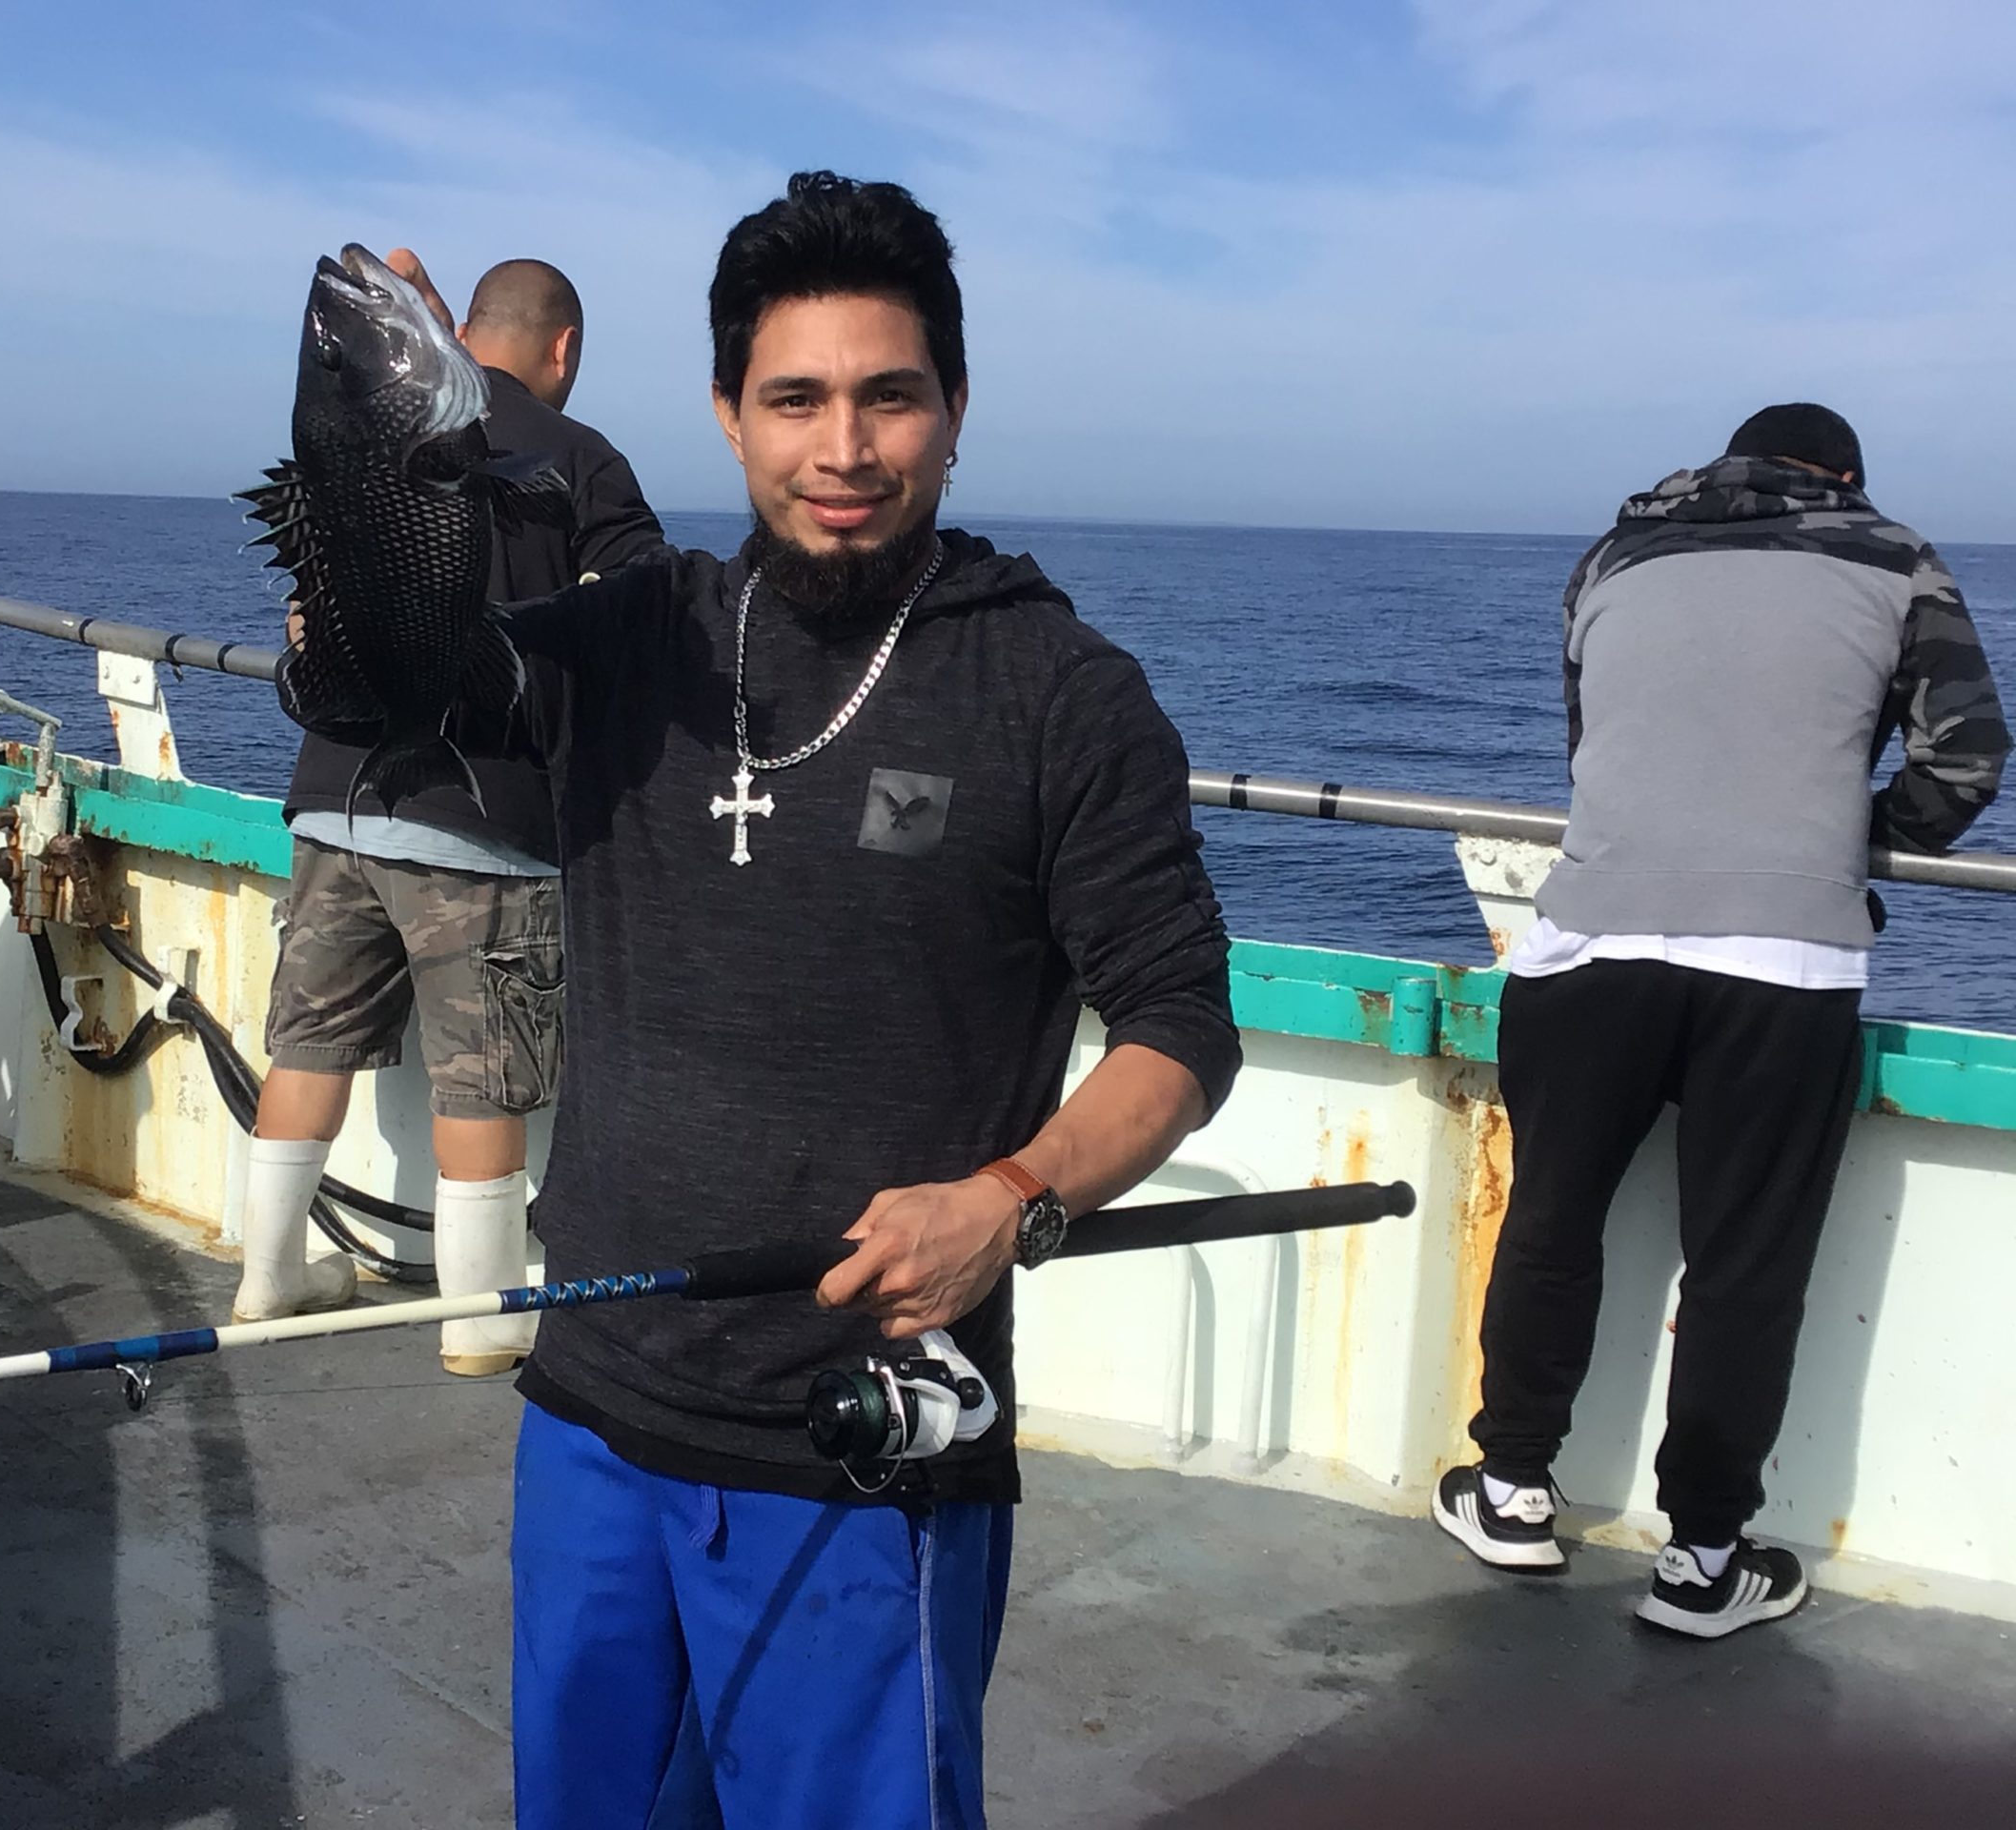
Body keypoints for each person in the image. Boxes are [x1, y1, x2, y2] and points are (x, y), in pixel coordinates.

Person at [384, 172, 1242, 1829]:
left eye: (887, 396)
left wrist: (1012, 1199)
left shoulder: (1060, 693)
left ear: (955, 408)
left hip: (865, 1442)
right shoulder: (635, 635)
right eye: (794, 400)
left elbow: (1179, 1025)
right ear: (727, 414)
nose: (842, 449)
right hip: (594, 1409)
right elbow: (394, 671)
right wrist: (396, 449)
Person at [1434, 403, 2007, 1637]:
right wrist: (1848, 838)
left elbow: (1593, 747)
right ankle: (1700, 1560)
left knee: (1550, 1220)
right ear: (1842, 475)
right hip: (1783, 959)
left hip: (1591, 941)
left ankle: (1514, 1489)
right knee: (1745, 1265)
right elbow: (1966, 759)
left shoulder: (1615, 555)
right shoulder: (1894, 557)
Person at [237, 257, 665, 1381]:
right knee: (484, 1074)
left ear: (463, 330)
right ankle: (478, 1322)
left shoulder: (361, 430)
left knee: (308, 1041)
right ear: (564, 348)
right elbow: (650, 614)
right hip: (484, 812)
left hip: (336, 799)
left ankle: (266, 1278)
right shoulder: (579, 458)